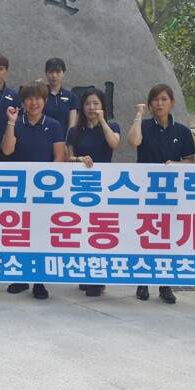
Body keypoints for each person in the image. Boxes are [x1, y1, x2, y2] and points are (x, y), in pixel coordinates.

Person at [127, 83, 195, 304]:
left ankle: (165, 284)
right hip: (146, 190)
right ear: (149, 104)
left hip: (171, 193)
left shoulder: (181, 131)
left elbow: (190, 161)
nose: (159, 103)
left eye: (164, 99)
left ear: (172, 103)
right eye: (155, 100)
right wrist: (138, 115)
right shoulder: (144, 126)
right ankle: (142, 282)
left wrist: (176, 165)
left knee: (168, 237)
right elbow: (133, 141)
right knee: (146, 235)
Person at [2, 82, 66, 300]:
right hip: (20, 190)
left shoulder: (54, 125)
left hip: (45, 191)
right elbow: (7, 150)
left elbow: (59, 157)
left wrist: (47, 184)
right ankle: (21, 277)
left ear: (45, 101)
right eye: (29, 98)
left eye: (38, 98)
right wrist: (11, 122)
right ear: (23, 102)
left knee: (40, 235)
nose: (33, 103)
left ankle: (39, 281)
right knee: (21, 234)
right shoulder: (16, 123)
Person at [65, 88, 121, 297]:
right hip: (81, 186)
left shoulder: (112, 126)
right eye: (88, 104)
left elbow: (114, 143)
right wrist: (78, 159)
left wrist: (102, 121)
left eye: (96, 104)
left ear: (103, 106)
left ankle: (97, 278)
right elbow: (68, 158)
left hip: (104, 186)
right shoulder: (74, 131)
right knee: (82, 230)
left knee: (100, 231)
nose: (92, 107)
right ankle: (85, 273)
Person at [41, 58, 79, 131]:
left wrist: (68, 137)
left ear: (63, 73)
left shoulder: (71, 97)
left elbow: (72, 126)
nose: (54, 75)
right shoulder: (40, 94)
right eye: (51, 72)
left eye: (58, 72)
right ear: (46, 73)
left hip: (63, 137)